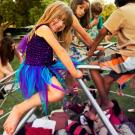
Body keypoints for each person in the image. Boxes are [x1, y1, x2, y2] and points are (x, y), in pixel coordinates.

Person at [3, 2, 83, 135]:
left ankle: (71, 87)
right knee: (58, 92)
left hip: (44, 65)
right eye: (58, 18)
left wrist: (52, 60)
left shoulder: (49, 31)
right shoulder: (44, 28)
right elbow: (61, 51)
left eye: (64, 23)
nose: (60, 25)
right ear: (50, 13)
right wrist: (74, 73)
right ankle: (19, 109)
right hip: (35, 68)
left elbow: (47, 50)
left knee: (72, 64)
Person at [88, 0, 135, 110]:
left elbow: (103, 31)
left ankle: (105, 102)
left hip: (128, 57)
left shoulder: (122, 11)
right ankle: (96, 110)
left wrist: (91, 51)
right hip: (130, 59)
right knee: (107, 80)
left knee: (93, 67)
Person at [0, 37, 15, 115]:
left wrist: (12, 74)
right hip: (1, 82)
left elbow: (11, 70)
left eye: (13, 46)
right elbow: (2, 68)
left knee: (2, 97)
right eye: (11, 47)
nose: (13, 49)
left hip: (2, 82)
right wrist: (10, 74)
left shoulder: (4, 56)